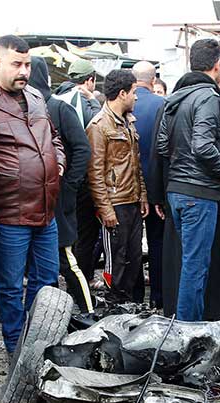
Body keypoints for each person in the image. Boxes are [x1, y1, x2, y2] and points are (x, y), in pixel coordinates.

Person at [0, 35, 64, 352]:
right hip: (9, 213)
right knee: (10, 286)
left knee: (47, 280)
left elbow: (54, 138)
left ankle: (37, 344)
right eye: (17, 64)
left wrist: (58, 165)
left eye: (27, 64)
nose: (24, 70)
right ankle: (15, 347)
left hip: (45, 207)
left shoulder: (36, 97)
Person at [152, 38, 220, 321]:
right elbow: (203, 145)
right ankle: (188, 331)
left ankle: (186, 327)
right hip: (198, 191)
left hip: (177, 189)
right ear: (217, 65)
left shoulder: (176, 98)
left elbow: (162, 146)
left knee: (189, 264)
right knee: (195, 266)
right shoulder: (208, 96)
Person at [29, 56, 94, 315]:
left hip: (59, 199)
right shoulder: (20, 109)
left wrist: (69, 185)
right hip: (33, 202)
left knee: (66, 260)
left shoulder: (58, 108)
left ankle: (88, 312)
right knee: (43, 264)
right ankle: (52, 314)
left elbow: (82, 149)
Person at [85, 69, 148, 302]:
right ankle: (114, 303)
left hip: (130, 200)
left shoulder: (128, 123)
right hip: (115, 203)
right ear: (122, 94)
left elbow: (135, 162)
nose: (137, 97)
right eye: (134, 92)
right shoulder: (98, 126)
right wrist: (106, 209)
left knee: (134, 257)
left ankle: (132, 304)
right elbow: (95, 172)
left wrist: (142, 195)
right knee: (116, 259)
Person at [133, 61, 167, 309]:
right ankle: (158, 296)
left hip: (128, 187)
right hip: (156, 186)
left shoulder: (121, 104)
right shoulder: (161, 105)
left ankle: (134, 297)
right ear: (154, 80)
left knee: (131, 244)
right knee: (157, 244)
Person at [54, 58, 99, 127]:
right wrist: (92, 99)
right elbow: (96, 125)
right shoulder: (79, 99)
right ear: (90, 81)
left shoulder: (59, 93)